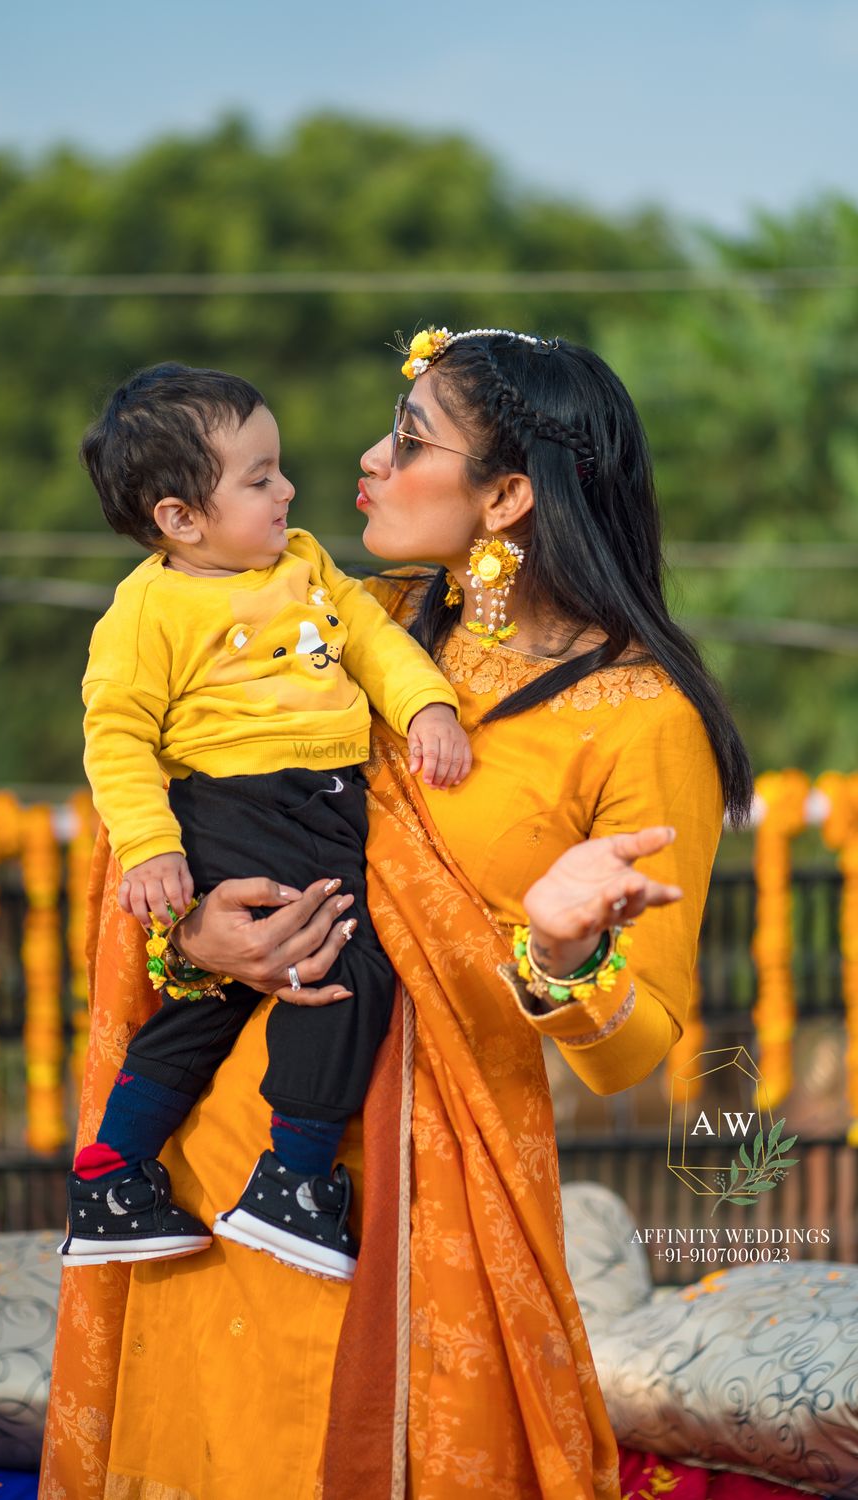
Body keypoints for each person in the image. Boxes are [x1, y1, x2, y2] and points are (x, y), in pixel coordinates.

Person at [40, 328, 751, 1500]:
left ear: (508, 496)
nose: (366, 458)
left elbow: (637, 1050)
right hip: (215, 1144)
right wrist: (194, 936)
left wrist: (563, 949)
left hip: (416, 1194)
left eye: (411, 440)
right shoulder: (324, 617)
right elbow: (142, 813)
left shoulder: (640, 721)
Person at [59, 363, 471, 1281]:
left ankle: (112, 1172)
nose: (288, 488)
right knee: (343, 966)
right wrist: (152, 846)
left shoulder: (307, 564)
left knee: (212, 997)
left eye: (278, 468)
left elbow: (373, 642)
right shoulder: (149, 610)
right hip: (237, 806)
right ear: (179, 518)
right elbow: (116, 733)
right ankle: (295, 1175)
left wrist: (427, 710)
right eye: (259, 477)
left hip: (323, 804)